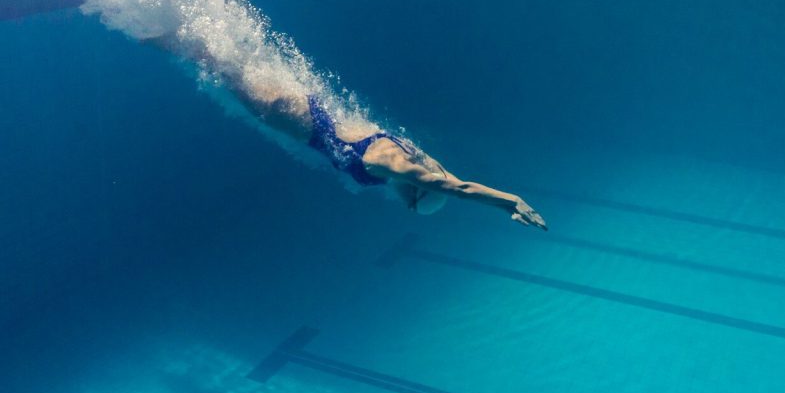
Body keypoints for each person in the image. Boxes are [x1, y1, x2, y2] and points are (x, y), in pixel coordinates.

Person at [185, 44, 548, 230]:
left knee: (233, 74)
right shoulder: (393, 165)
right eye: (410, 203)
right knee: (227, 76)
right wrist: (510, 202)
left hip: (307, 116)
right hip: (300, 120)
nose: (403, 202)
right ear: (416, 191)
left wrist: (506, 203)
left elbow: (456, 184)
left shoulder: (423, 165)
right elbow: (457, 190)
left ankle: (185, 36)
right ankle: (172, 38)